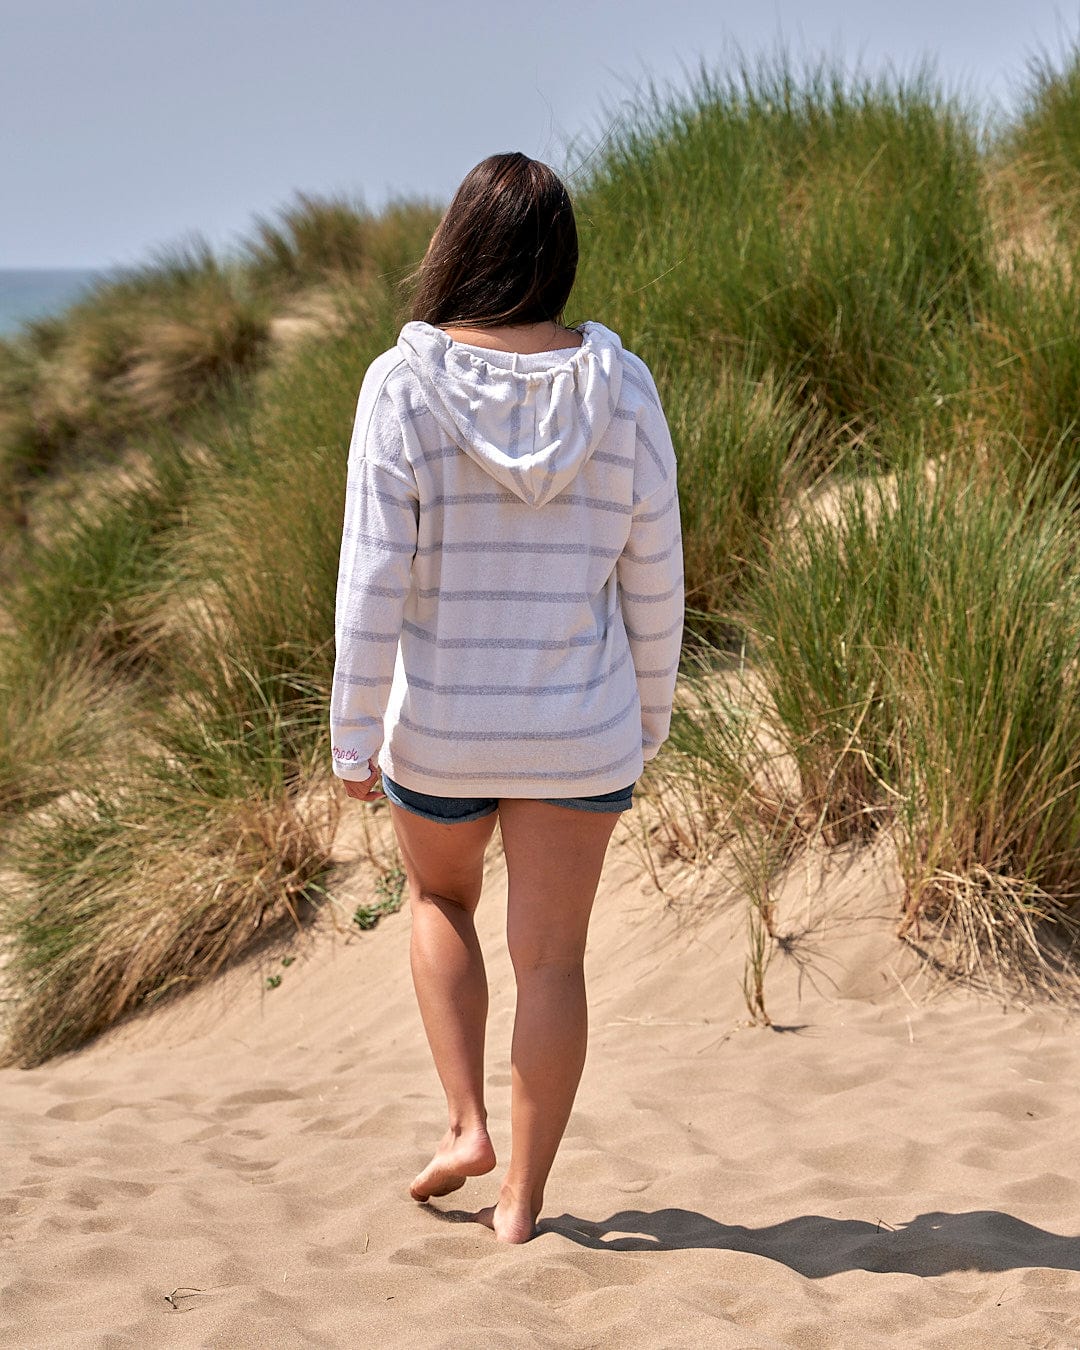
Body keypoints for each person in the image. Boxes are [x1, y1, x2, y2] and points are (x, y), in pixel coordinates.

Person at [329, 152, 683, 1243]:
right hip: (580, 733)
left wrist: (352, 734)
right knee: (555, 962)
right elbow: (656, 571)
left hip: (441, 730)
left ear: (456, 248)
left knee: (439, 904)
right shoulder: (622, 388)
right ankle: (522, 1204)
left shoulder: (404, 385)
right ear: (559, 257)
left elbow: (372, 577)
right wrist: (650, 719)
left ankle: (465, 1123)